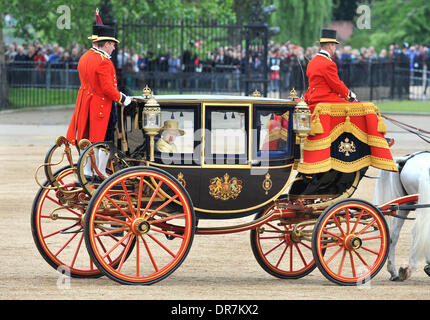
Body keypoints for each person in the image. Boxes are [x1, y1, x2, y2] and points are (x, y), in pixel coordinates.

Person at [66, 9, 132, 180]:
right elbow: (108, 89)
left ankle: (87, 171)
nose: (114, 47)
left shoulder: (85, 57)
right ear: (105, 43)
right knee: (104, 140)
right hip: (101, 106)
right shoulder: (104, 62)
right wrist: (124, 99)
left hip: (86, 103)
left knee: (87, 138)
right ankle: (100, 171)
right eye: (112, 43)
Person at [304, 29, 357, 113]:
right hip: (324, 97)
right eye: (334, 46)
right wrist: (349, 95)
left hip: (311, 97)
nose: (335, 48)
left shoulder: (311, 62)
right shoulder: (328, 63)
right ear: (330, 46)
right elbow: (336, 84)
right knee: (355, 108)